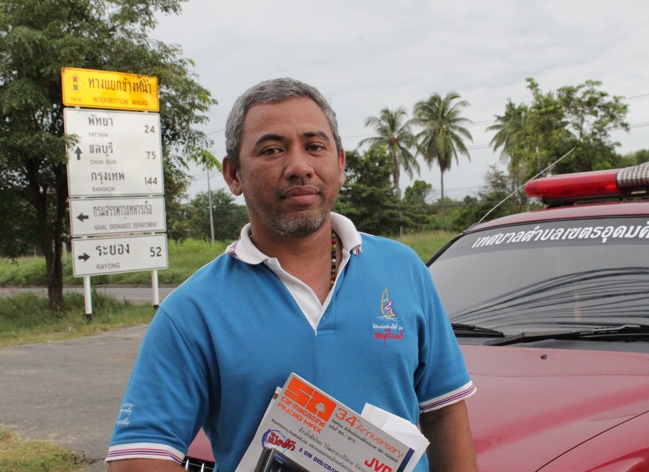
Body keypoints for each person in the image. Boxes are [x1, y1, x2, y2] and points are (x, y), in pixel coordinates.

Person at [106, 78, 478, 472]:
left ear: (340, 163)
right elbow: (138, 459)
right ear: (233, 174)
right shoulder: (191, 311)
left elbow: (444, 413)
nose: (299, 167)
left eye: (315, 146)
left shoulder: (403, 270)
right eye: (272, 150)